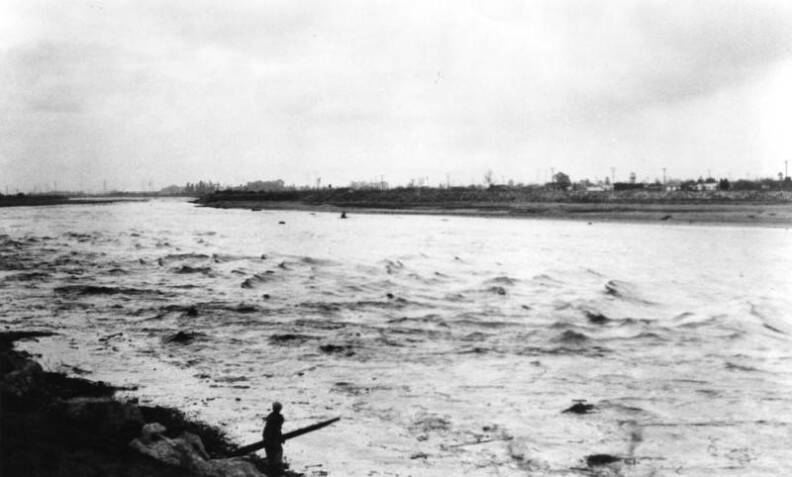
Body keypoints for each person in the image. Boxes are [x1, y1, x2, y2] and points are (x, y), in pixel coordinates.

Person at [262, 401, 285, 474]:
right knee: (278, 451)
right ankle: (276, 469)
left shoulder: (270, 416)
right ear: (280, 409)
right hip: (273, 437)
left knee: (270, 454)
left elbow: (271, 428)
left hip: (267, 436)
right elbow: (277, 429)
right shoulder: (279, 417)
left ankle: (271, 469)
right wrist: (281, 438)